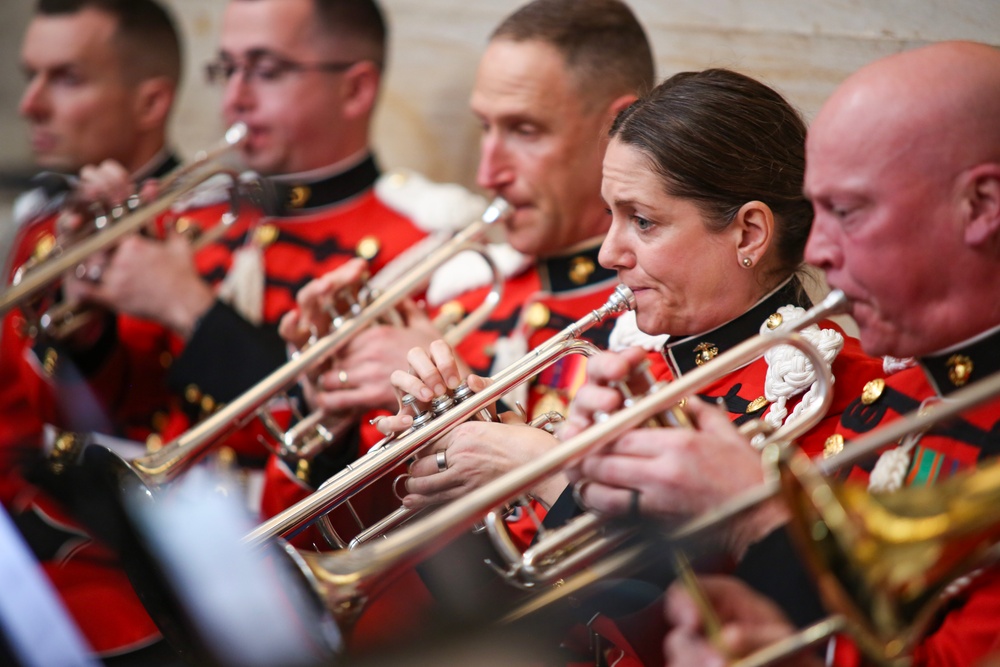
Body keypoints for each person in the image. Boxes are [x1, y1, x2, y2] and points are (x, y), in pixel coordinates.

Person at [644, 41, 1000, 667]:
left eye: (847, 211)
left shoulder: (850, 382)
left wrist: (763, 520)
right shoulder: (918, 388)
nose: (819, 250)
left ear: (983, 206)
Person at [0, 0, 184, 660]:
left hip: (113, 565)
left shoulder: (194, 236)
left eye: (67, 78)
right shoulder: (45, 224)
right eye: (31, 76)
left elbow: (130, 421)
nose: (32, 106)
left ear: (149, 102)